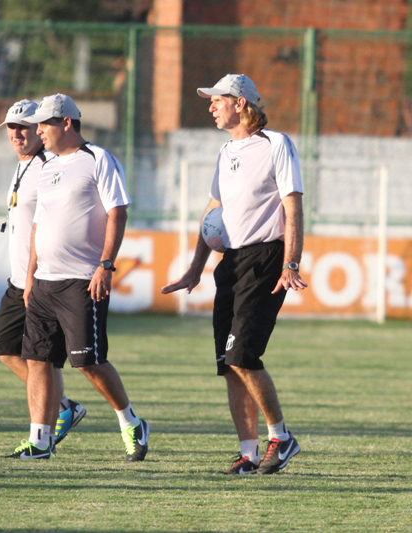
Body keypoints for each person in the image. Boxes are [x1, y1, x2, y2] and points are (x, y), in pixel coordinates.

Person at [162, 74, 306, 475]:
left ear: (240, 103)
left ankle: (282, 436)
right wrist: (195, 267)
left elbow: (292, 207)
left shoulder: (276, 144)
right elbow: (213, 214)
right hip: (232, 263)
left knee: (244, 354)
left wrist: (291, 262)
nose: (211, 106)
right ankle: (249, 453)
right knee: (228, 362)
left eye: (217, 100)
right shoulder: (226, 152)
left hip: (266, 258)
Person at [8, 93, 150, 461]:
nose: (38, 130)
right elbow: (39, 223)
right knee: (39, 360)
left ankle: (130, 420)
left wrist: (105, 265)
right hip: (44, 282)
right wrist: (31, 275)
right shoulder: (50, 165)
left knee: (88, 362)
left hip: (82, 279)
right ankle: (40, 441)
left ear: (66, 123)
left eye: (44, 123)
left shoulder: (98, 159)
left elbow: (118, 212)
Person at [0, 100, 86, 457]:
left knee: (42, 358)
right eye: (11, 128)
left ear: (39, 129)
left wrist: (37, 274)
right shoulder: (22, 167)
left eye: (24, 127)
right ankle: (64, 406)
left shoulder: (48, 165)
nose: (17, 134)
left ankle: (46, 431)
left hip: (39, 279)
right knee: (4, 349)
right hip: (17, 278)